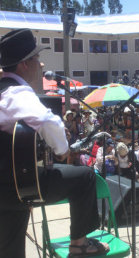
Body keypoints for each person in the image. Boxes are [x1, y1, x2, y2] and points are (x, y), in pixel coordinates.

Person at [0, 29, 109, 257]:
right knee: (85, 178)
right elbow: (49, 122)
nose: (41, 65)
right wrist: (61, 151)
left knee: (10, 247)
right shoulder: (17, 93)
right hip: (18, 187)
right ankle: (79, 245)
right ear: (24, 65)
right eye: (36, 58)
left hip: (7, 192)